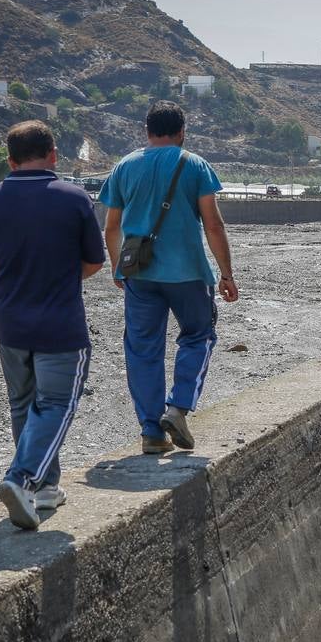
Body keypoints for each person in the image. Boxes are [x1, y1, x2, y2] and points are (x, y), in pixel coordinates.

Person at [0, 120, 105, 530]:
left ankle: (45, 488)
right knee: (56, 404)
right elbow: (94, 262)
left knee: (23, 405)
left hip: (9, 323)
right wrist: (58, 277)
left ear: (10, 160)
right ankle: (22, 479)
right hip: (60, 324)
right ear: (53, 155)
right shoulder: (74, 198)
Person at [99, 100, 239, 455]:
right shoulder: (194, 165)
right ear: (182, 133)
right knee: (199, 334)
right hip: (188, 274)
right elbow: (213, 224)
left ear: (146, 130)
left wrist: (119, 268)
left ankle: (151, 431)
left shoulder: (124, 167)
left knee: (143, 349)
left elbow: (111, 227)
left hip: (139, 274)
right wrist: (226, 273)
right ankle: (177, 408)